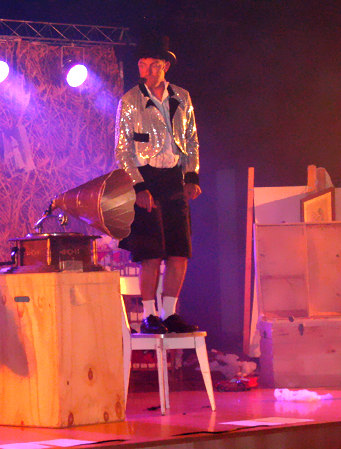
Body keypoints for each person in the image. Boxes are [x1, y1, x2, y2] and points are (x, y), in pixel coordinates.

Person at [115, 33, 201, 334]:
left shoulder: (181, 97)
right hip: (147, 178)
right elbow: (123, 151)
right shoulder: (130, 100)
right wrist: (138, 187)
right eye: (142, 65)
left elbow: (191, 140)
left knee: (179, 250)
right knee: (150, 253)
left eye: (153, 65)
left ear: (165, 66)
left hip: (174, 177)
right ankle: (150, 315)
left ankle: (170, 313)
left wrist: (191, 176)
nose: (147, 71)